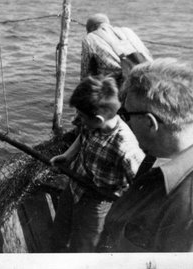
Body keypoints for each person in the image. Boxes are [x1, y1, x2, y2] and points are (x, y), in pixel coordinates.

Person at [97, 58, 193, 252]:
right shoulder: (156, 155)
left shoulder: (192, 215)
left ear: (149, 123)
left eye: (126, 115)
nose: (123, 123)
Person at [49, 75, 145, 252]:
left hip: (97, 201)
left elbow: (140, 186)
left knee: (85, 244)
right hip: (74, 185)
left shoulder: (125, 147)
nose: (78, 119)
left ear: (99, 120)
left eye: (81, 116)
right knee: (59, 230)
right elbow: (83, 133)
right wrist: (68, 155)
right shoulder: (90, 122)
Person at [80, 13, 152, 87]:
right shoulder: (128, 31)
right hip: (149, 71)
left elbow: (85, 71)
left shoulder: (90, 37)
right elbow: (147, 53)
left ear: (92, 28)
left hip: (121, 81)